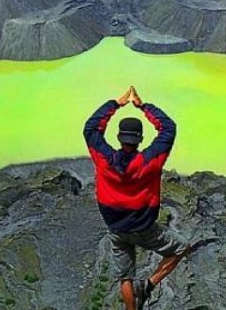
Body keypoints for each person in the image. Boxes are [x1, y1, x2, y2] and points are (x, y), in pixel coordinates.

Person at [83, 86, 189, 309]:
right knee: (180, 248)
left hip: (116, 230)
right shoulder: (149, 161)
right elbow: (168, 129)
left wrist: (115, 104)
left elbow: (91, 129)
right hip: (144, 229)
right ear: (140, 139)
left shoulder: (104, 160)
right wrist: (142, 106)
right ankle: (149, 285)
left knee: (125, 276)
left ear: (120, 137)